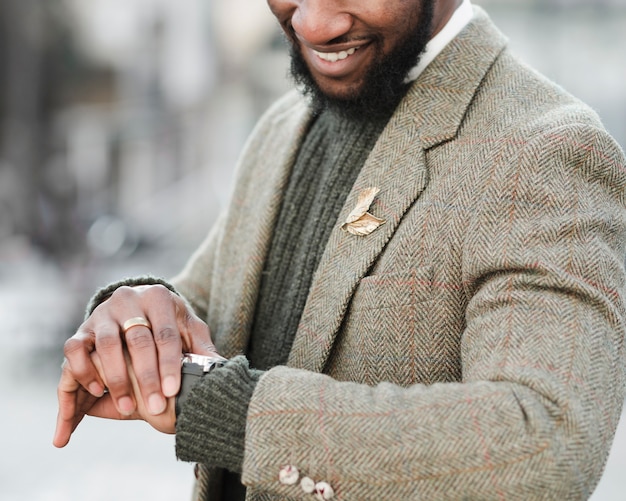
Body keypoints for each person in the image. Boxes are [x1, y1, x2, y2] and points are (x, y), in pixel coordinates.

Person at [54, 0, 626, 499]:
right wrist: (133, 323)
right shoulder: (284, 126)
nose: (314, 22)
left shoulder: (547, 149)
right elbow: (207, 311)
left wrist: (232, 413)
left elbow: (546, 443)